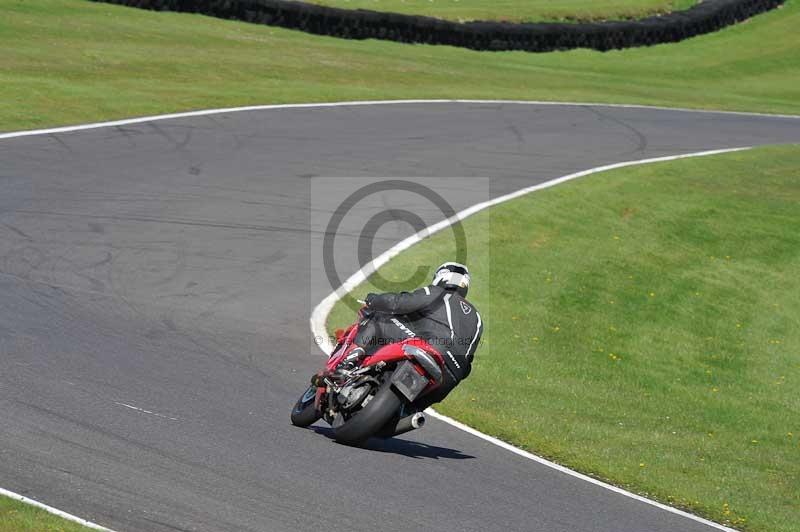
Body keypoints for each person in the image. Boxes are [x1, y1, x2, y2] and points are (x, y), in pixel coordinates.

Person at [339, 262, 483, 410]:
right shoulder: (477, 319)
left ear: (441, 278)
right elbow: (467, 366)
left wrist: (372, 300)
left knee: (378, 319)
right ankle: (405, 414)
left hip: (430, 347)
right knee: (411, 410)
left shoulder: (436, 293)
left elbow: (398, 303)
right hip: (451, 377)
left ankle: (348, 362)